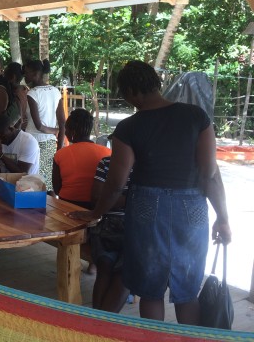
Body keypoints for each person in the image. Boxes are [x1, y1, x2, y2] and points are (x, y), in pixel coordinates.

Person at [68, 61, 231, 326]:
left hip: (147, 207)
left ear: (132, 91)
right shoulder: (197, 117)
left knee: (150, 291)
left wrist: (95, 213)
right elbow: (210, 174)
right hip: (192, 209)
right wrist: (223, 218)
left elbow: (117, 182)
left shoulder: (129, 127)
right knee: (188, 292)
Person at [89, 156, 130, 313]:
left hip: (109, 220)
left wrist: (110, 197)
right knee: (114, 270)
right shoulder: (106, 162)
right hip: (112, 222)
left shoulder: (107, 163)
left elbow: (100, 198)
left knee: (112, 271)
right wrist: (129, 199)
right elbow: (95, 197)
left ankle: (98, 322)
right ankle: (100, 324)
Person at [52, 108, 111, 208]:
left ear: (72, 132)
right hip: (96, 206)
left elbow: (57, 189)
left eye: (66, 130)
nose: (65, 133)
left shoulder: (60, 154)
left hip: (67, 205)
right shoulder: (107, 152)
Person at [24, 59, 65, 193]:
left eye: (27, 73)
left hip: (32, 142)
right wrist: (59, 145)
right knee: (48, 185)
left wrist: (55, 130)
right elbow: (63, 122)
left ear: (36, 73)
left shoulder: (32, 94)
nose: (25, 76)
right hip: (49, 144)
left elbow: (38, 125)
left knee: (32, 185)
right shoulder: (55, 91)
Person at [4, 62, 28, 129]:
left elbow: (18, 120)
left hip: (16, 131)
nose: (3, 75)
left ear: (13, 77)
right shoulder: (25, 90)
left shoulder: (15, 95)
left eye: (5, 73)